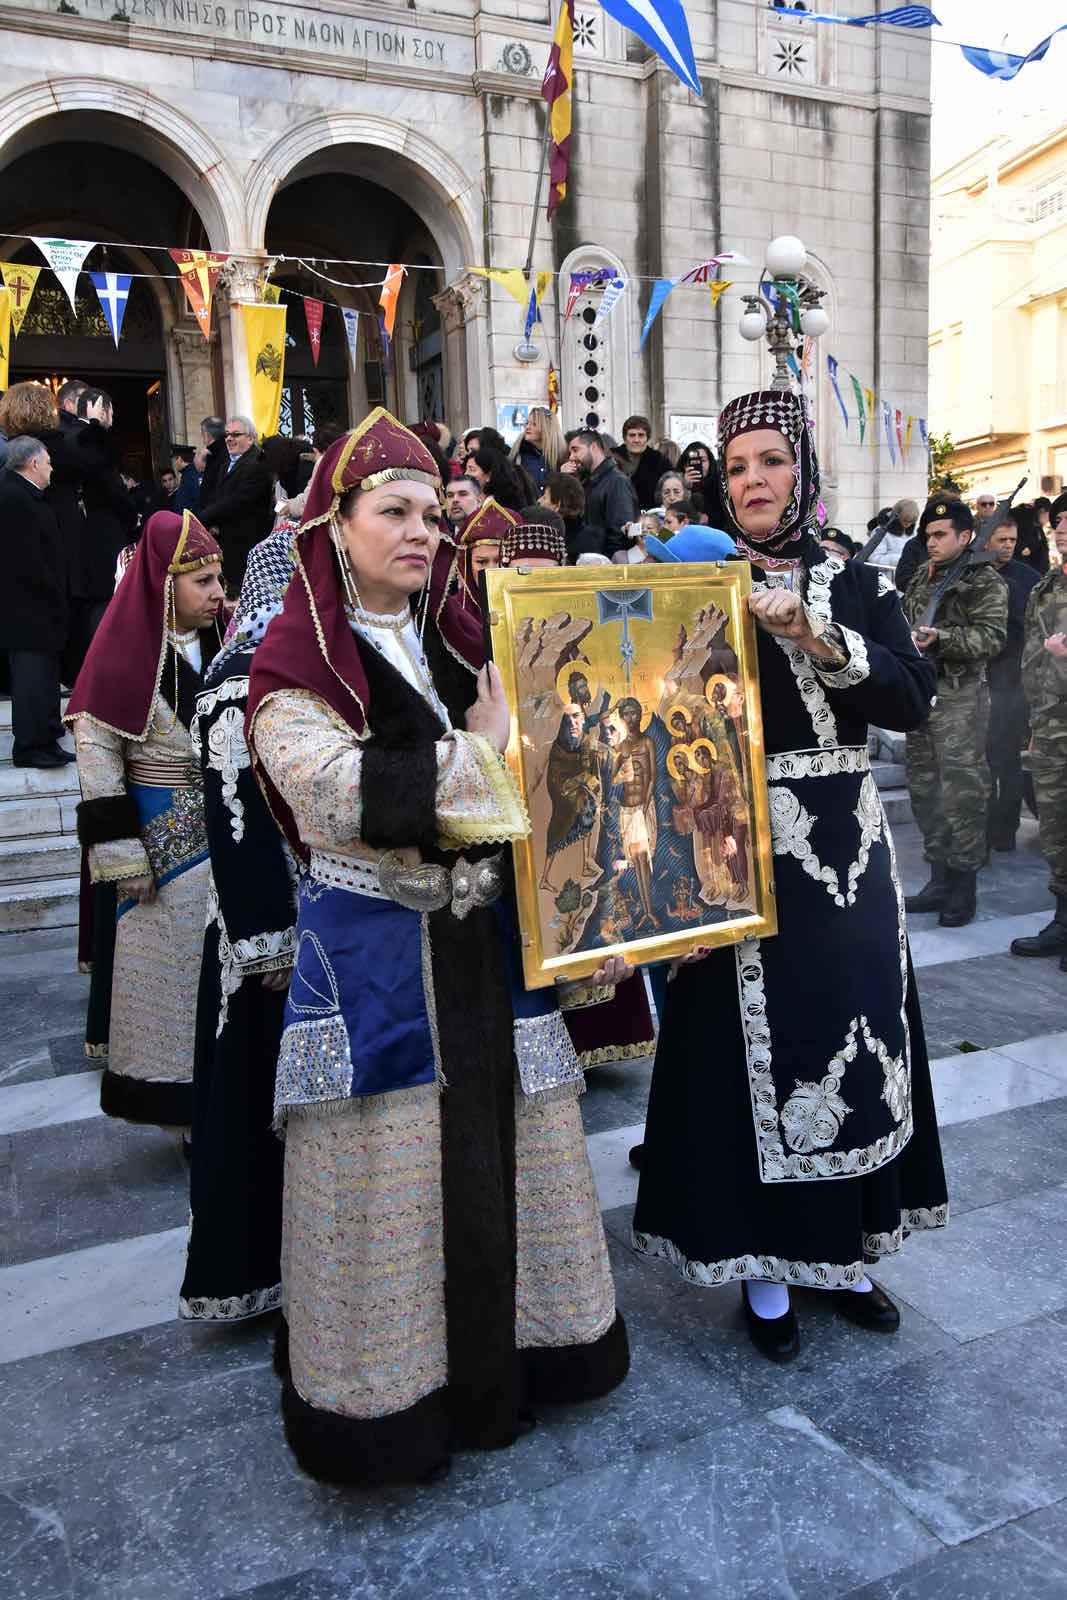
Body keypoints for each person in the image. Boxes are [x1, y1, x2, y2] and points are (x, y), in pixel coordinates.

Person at [245, 410, 629, 1485]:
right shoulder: (293, 663)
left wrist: (596, 918)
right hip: (378, 959)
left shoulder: (462, 642)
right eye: (393, 512)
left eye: (429, 513)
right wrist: (483, 750)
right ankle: (389, 1409)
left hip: (490, 951)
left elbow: (555, 784)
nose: (420, 531)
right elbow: (334, 795)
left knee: (517, 1152)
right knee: (390, 1183)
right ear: (335, 525)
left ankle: (524, 1364)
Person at [632, 386, 947, 1364]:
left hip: (843, 858)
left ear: (802, 470)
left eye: (770, 460)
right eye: (735, 468)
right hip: (730, 847)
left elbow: (912, 699)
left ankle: (842, 1254)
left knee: (846, 1038)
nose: (753, 480)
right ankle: (763, 1269)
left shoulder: (856, 583)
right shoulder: (695, 590)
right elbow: (656, 729)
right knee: (740, 1054)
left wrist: (813, 635)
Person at [66, 510, 227, 1125]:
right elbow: (96, 752)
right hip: (161, 852)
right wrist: (122, 855)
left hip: (228, 837)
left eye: (219, 579)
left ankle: (226, 1098)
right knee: (169, 983)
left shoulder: (226, 643)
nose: (217, 593)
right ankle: (175, 1100)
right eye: (202, 581)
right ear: (164, 584)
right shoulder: (121, 649)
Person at [180, 528, 299, 1324]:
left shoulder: (287, 671)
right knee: (255, 1092)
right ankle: (250, 1269)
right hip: (264, 938)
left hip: (305, 918)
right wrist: (268, 943)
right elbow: (237, 826)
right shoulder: (236, 683)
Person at [901, 498, 1008, 926]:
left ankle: (964, 886)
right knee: (924, 789)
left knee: (962, 792)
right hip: (922, 695)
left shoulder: (983, 580)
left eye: (941, 535)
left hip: (960, 699)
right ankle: (939, 878)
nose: (932, 542)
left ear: (965, 537)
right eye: (928, 535)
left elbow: (992, 638)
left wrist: (941, 638)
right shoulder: (921, 577)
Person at [1010, 492, 1067, 963]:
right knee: (1055, 826)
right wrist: (1033, 721)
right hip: (1051, 726)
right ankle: (1063, 920)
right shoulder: (1045, 587)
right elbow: (1030, 658)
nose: (1061, 528)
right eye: (1060, 519)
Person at [0, 438, 72, 768]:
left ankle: (47, 739)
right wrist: (52, 590)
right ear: (33, 464)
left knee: (44, 677)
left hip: (41, 606)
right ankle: (30, 747)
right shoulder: (13, 497)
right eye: (48, 462)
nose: (52, 468)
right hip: (27, 608)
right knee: (31, 679)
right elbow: (25, 559)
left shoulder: (27, 495)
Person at [984, 512, 1040, 853]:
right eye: (1001, 540)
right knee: (981, 762)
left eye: (1012, 541)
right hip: (977, 680)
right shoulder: (971, 574)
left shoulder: (1029, 579)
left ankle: (1005, 829)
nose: (1008, 546)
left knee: (1007, 761)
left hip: (1011, 680)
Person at [198, 416, 275, 590]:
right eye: (227, 434)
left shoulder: (257, 462)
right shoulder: (226, 462)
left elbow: (238, 501)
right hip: (226, 543)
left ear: (250, 438)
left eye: (235, 434)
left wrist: (204, 519)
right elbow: (216, 495)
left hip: (246, 546)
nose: (229, 439)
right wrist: (213, 522)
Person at [567, 429, 639, 558]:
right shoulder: (587, 481)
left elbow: (619, 533)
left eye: (575, 450)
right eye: (570, 452)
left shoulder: (617, 482)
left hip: (603, 564)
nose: (571, 457)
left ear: (593, 447)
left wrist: (606, 563)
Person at [448, 496, 522, 615]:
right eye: (482, 562)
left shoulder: (529, 605)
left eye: (500, 561)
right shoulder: (452, 612)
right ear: (467, 564)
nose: (491, 569)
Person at [613, 415, 671, 510]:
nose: (636, 440)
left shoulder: (659, 460)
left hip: (650, 514)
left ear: (647, 438)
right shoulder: (611, 457)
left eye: (641, 435)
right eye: (632, 435)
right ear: (625, 438)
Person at [509, 406, 567, 492]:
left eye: (534, 424)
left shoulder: (561, 457)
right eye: (527, 423)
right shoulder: (518, 456)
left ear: (547, 428)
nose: (527, 427)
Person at [540, 470, 589, 560]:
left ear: (557, 505)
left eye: (544, 497)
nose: (539, 501)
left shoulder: (554, 543)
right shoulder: (588, 536)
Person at [465, 446, 531, 512]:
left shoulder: (502, 507)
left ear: (489, 475)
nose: (465, 473)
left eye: (472, 469)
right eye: (466, 469)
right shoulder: (468, 499)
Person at [171, 445, 201, 516]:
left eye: (174, 460)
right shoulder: (187, 474)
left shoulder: (190, 476)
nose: (174, 464)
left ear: (179, 459)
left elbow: (198, 501)